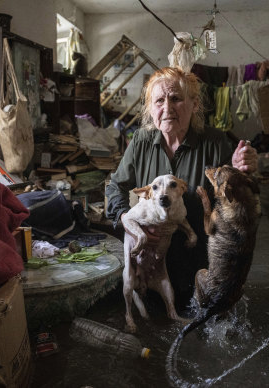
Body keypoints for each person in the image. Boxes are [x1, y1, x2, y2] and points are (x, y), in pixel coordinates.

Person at [105, 66, 258, 307]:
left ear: (194, 104)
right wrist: (125, 221)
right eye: (159, 101)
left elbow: (239, 201)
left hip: (198, 260)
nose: (167, 108)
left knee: (201, 315)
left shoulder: (215, 142)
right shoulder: (141, 142)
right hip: (152, 257)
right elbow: (116, 186)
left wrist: (241, 170)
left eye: (176, 99)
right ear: (150, 108)